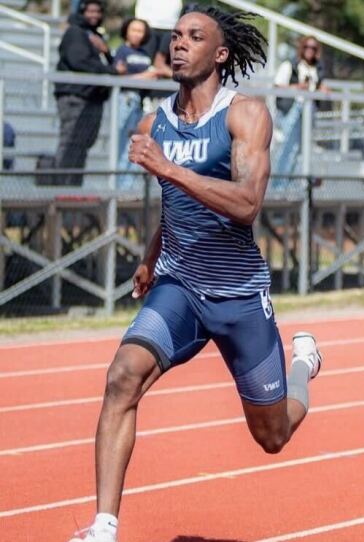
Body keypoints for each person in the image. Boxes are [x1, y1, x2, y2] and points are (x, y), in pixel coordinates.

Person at [69, 7, 322, 542]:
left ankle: (303, 364)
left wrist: (169, 167)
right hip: (179, 285)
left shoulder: (245, 115)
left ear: (220, 54)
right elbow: (173, 204)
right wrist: (150, 253)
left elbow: (247, 203)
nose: (178, 44)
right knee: (121, 378)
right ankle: (103, 527)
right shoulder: (152, 122)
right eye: (176, 35)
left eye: (194, 37)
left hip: (237, 296)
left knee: (273, 436)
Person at [53, 0, 125, 186]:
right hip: (76, 97)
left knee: (83, 145)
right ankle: (61, 189)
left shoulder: (96, 36)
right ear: (81, 11)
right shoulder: (75, 32)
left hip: (93, 99)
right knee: (70, 143)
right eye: (90, 11)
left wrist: (107, 52)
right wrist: (112, 72)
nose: (94, 15)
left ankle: (73, 188)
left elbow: (109, 64)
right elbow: (80, 62)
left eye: (98, 11)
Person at [114, 17, 157, 187]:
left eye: (140, 31)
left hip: (140, 101)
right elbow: (119, 76)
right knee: (121, 143)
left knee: (134, 143)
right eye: (134, 30)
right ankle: (117, 185)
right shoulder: (122, 51)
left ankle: (127, 186)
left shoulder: (145, 54)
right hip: (125, 99)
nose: (137, 34)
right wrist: (145, 77)